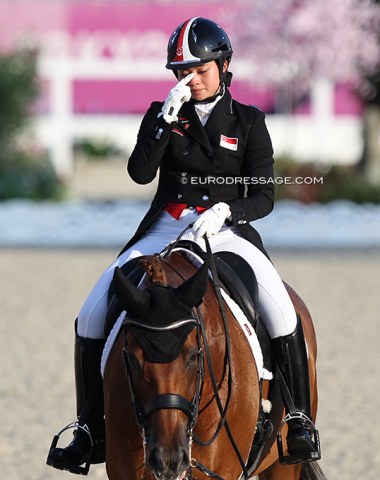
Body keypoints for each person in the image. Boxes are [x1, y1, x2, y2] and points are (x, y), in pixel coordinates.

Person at [47, 17, 321, 474]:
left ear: (224, 64)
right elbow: (139, 173)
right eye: (181, 72)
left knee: (283, 311)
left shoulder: (249, 121)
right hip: (166, 226)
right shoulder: (163, 114)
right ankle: (89, 429)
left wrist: (228, 212)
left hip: (226, 230)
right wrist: (162, 121)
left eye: (199, 70)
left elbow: (265, 195)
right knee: (93, 314)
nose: (189, 80)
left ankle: (296, 420)